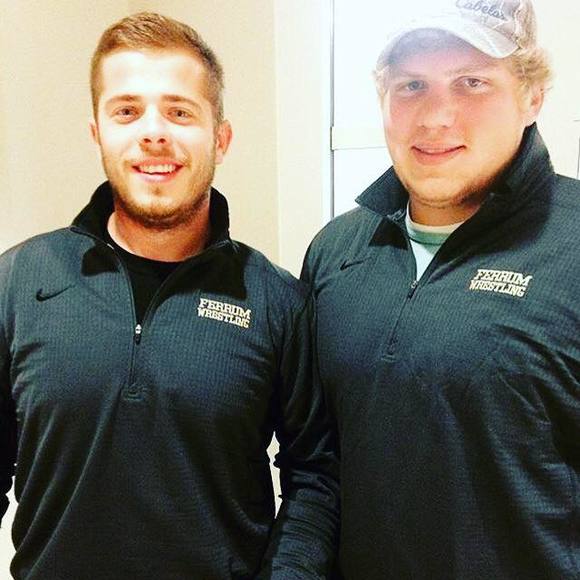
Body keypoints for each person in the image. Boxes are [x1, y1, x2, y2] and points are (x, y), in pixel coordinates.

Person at [0, 12, 338, 579]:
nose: (154, 132)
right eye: (127, 111)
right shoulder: (18, 282)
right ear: (97, 133)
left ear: (220, 139)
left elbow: (316, 476)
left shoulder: (278, 302)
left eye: (180, 112)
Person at [302, 0, 580, 578]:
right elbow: (318, 471)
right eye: (411, 85)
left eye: (471, 82)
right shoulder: (336, 252)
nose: (435, 117)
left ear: (532, 96)